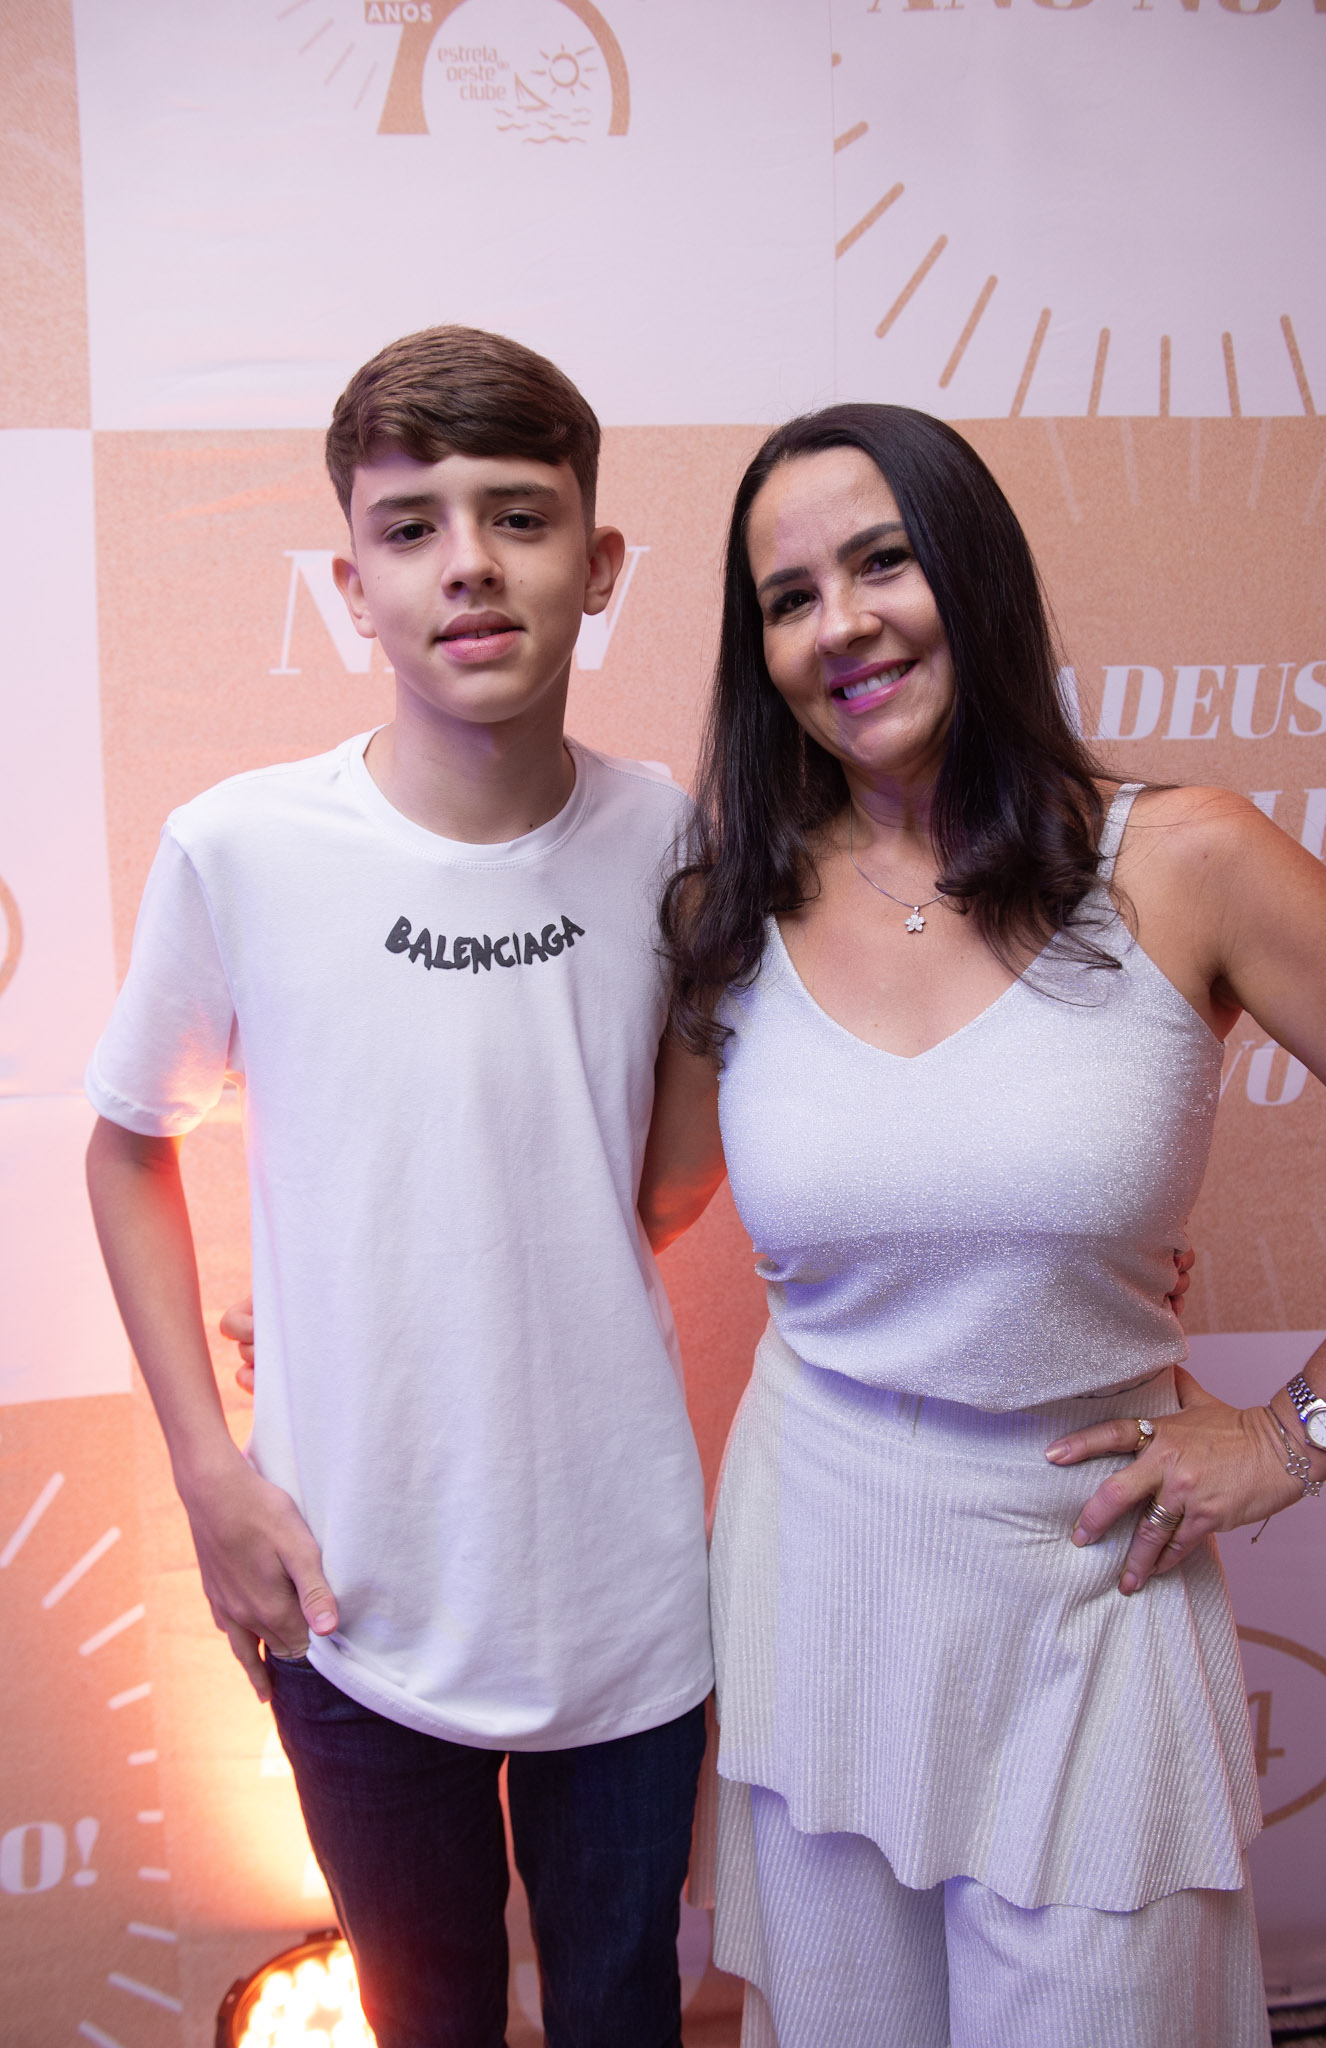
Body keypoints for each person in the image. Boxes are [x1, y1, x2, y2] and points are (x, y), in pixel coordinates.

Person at [646, 403, 1326, 2048]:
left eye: (883, 561)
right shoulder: (728, 911)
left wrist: (1298, 1434)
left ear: (972, 571)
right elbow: (622, 1208)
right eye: (789, 597)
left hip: (1089, 1591)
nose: (842, 625)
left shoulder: (1184, 859)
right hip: (814, 1583)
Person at [83, 325, 716, 2048]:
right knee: (425, 2016)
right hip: (347, 1594)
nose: (470, 565)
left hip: (626, 1598)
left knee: (619, 2011)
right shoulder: (240, 847)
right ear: (352, 584)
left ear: (601, 562)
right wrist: (208, 1475)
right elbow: (128, 1145)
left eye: (518, 515)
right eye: (412, 526)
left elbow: (658, 1185)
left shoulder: (673, 843)